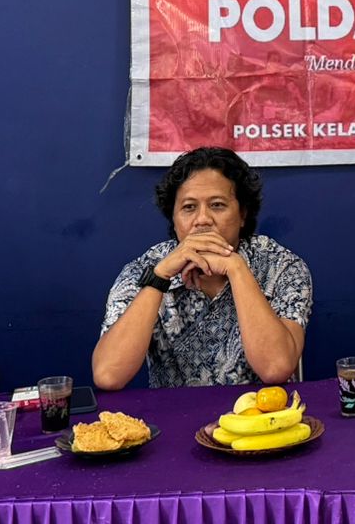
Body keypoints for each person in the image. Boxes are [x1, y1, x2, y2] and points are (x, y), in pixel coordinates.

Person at [94, 146, 310, 388]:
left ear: (242, 214)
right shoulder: (145, 269)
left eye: (217, 205)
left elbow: (275, 368)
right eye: (189, 207)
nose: (203, 219)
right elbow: (108, 375)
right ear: (173, 218)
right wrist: (159, 279)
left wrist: (237, 269)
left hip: (258, 410)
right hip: (174, 411)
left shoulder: (282, 267)